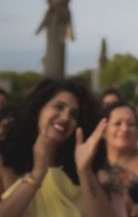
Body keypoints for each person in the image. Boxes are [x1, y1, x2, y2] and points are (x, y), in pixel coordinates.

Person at [0, 78, 113, 217]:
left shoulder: (81, 169)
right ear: (38, 108)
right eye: (59, 107)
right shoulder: (5, 159)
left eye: (74, 115)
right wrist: (36, 176)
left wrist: (85, 170)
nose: (65, 117)